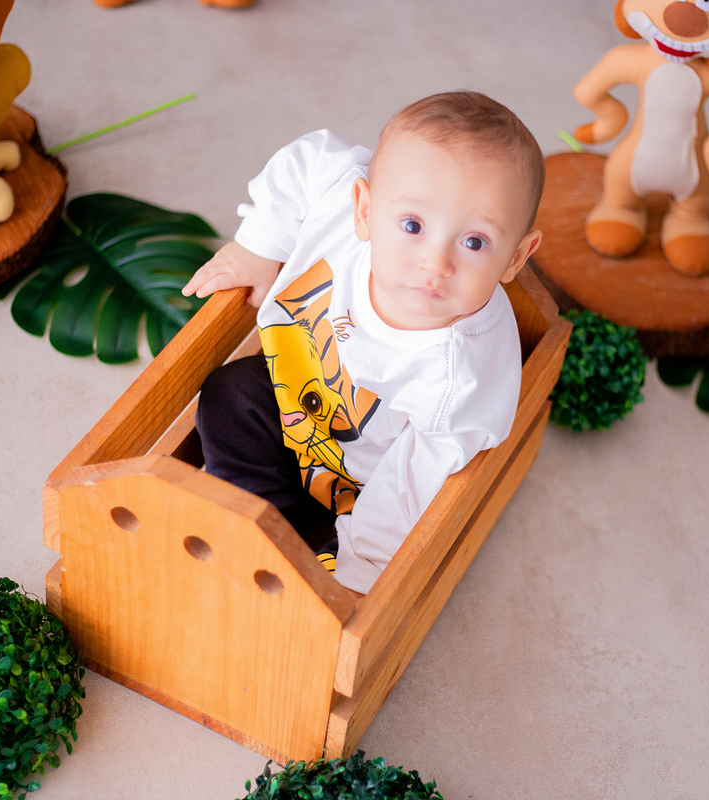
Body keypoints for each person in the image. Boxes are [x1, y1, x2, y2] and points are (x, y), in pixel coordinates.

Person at [182, 91, 544, 594]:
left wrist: (356, 580)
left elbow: (412, 487)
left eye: (475, 242)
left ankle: (300, 555)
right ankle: (256, 519)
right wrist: (259, 246)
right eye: (413, 226)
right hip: (294, 404)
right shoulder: (341, 203)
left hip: (365, 485)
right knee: (229, 394)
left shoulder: (460, 376)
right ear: (364, 209)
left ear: (516, 258)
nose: (436, 263)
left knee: (345, 550)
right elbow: (307, 160)